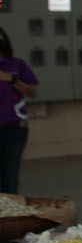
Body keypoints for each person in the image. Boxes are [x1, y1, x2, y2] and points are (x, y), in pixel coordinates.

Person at [0, 28, 38, 194]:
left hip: (14, 127)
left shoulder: (17, 65)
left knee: (10, 173)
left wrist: (12, 80)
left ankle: (10, 214)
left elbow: (32, 92)